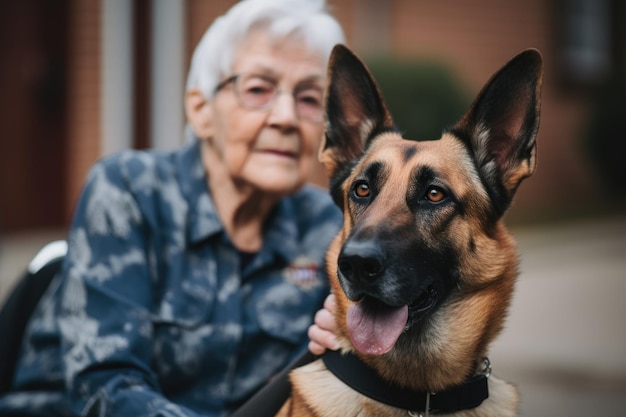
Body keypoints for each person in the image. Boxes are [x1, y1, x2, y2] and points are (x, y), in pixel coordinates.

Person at [0, 0, 345, 415]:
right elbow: (104, 385)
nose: (287, 117)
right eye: (258, 89)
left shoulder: (326, 224)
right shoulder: (129, 191)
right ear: (200, 111)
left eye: (310, 99)